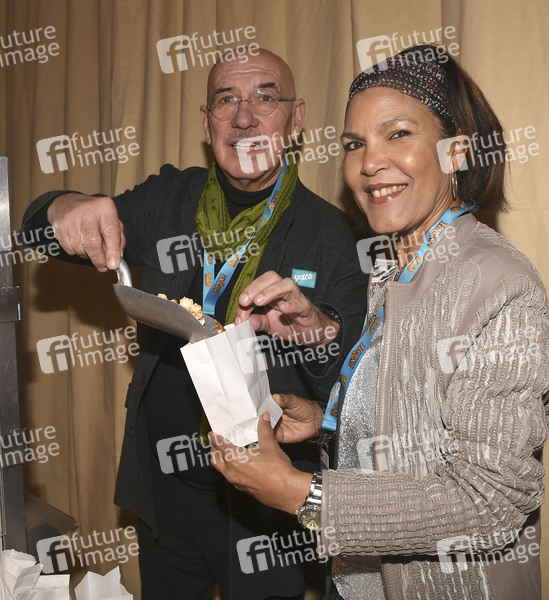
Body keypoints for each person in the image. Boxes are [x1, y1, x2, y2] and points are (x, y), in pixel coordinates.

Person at [210, 45, 549, 599]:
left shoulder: (502, 285)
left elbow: (490, 502)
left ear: (456, 151)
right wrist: (327, 421)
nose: (369, 162)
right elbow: (416, 420)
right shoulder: (392, 267)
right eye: (355, 144)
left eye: (397, 134)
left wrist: (303, 493)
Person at [19, 49, 368, 598]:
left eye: (265, 97)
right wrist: (65, 205)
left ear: (296, 118)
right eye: (226, 100)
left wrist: (316, 328)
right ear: (207, 124)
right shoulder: (168, 199)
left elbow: (354, 382)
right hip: (167, 491)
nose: (244, 117)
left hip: (268, 508)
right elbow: (38, 232)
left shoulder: (336, 234)